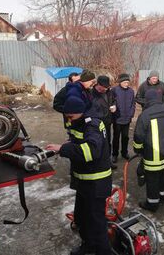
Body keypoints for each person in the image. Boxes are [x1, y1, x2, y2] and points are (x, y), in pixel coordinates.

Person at [46, 96, 112, 255]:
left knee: (96, 223)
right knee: (82, 218)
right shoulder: (79, 121)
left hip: (96, 183)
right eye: (66, 116)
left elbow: (91, 152)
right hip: (84, 182)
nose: (68, 120)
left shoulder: (93, 125)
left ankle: (104, 251)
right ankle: (88, 246)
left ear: (81, 112)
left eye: (70, 117)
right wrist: (70, 143)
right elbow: (78, 140)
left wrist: (62, 149)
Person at [133, 89, 164, 212]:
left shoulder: (145, 115)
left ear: (147, 100)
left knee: (152, 181)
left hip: (152, 157)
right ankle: (162, 198)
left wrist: (137, 149)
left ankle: (152, 204)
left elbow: (138, 136)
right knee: (163, 177)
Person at [91, 75, 117, 169]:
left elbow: (114, 101)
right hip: (96, 124)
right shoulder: (91, 94)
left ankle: (107, 161)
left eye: (107, 87)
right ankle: (97, 163)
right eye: (104, 87)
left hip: (107, 122)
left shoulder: (109, 92)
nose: (106, 89)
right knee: (97, 143)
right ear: (98, 85)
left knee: (107, 143)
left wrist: (114, 106)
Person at [111, 73, 135, 163]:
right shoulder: (114, 90)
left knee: (125, 137)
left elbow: (133, 103)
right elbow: (111, 102)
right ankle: (114, 154)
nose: (126, 84)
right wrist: (113, 110)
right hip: (117, 119)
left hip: (127, 118)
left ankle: (124, 153)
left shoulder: (131, 91)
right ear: (120, 82)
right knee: (116, 137)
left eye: (128, 82)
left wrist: (131, 114)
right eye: (125, 82)